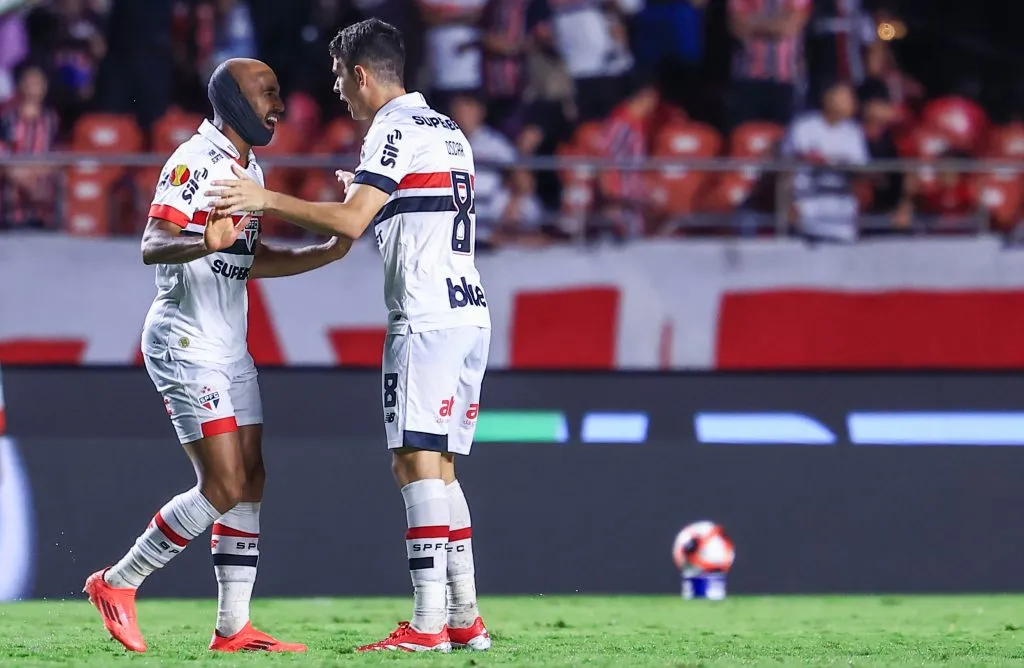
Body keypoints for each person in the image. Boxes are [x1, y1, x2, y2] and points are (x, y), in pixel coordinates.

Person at [208, 19, 491, 653]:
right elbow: (410, 207)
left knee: (413, 461)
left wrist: (264, 199)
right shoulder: (445, 128)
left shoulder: (391, 129)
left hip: (424, 316)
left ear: (360, 74)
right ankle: (465, 618)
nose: (337, 90)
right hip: (469, 309)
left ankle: (425, 626)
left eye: (339, 77)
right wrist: (366, 202)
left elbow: (351, 222)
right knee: (440, 466)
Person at [83, 58, 352, 654]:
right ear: (231, 99)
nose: (278, 106)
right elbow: (153, 243)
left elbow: (245, 260)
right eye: (268, 94)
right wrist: (203, 237)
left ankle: (233, 627)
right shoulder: (193, 161)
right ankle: (118, 581)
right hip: (185, 344)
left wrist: (325, 253)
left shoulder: (247, 166)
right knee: (224, 484)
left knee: (252, 477)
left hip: (230, 345)